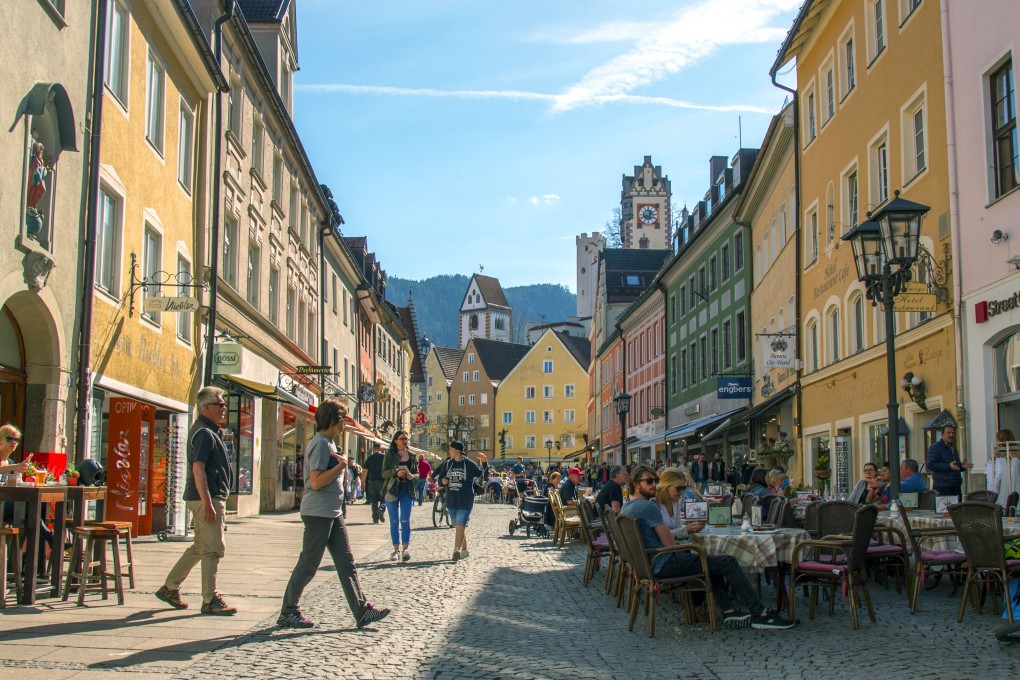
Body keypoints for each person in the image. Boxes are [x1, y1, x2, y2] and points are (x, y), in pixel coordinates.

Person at [621, 465, 794, 630]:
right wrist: (687, 541)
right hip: (664, 562)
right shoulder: (649, 506)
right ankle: (761, 614)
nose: (654, 485)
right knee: (727, 562)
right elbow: (670, 544)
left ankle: (729, 611)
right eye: (649, 482)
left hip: (650, 564)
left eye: (655, 481)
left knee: (711, 561)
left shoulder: (627, 507)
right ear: (636, 484)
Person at [277, 399, 390, 629]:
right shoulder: (320, 444)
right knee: (309, 563)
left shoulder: (328, 443)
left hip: (332, 511)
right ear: (332, 420)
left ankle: (361, 610)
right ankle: (288, 611)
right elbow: (317, 482)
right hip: (319, 512)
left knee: (346, 561)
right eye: (343, 421)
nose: (344, 426)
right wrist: (341, 466)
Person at [156, 387, 236, 615]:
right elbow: (198, 469)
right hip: (206, 498)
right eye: (219, 404)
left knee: (200, 546)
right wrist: (208, 502)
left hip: (202, 497)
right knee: (213, 549)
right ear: (205, 407)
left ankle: (170, 588)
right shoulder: (204, 433)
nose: (224, 409)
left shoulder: (209, 431)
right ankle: (210, 599)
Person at [0, 424, 51, 577]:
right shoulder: (8, 464)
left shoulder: (8, 461)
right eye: (10, 439)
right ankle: (50, 538)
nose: (13, 442)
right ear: (1, 440)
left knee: (29, 514)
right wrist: (16, 467)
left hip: (4, 507)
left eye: (16, 439)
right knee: (28, 510)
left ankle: (20, 568)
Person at [435, 441, 487, 560]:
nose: (449, 451)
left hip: (465, 499)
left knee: (459, 525)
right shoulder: (447, 464)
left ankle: (456, 550)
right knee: (459, 526)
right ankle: (464, 549)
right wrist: (443, 481)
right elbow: (440, 478)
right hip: (451, 500)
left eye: (451, 449)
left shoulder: (469, 464)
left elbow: (481, 475)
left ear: (457, 450)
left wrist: (484, 463)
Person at [382, 430, 417, 562]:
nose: (405, 441)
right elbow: (383, 473)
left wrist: (411, 475)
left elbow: (418, 474)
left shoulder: (412, 456)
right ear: (396, 440)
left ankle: (405, 549)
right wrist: (395, 472)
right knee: (394, 521)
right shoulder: (390, 454)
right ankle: (395, 550)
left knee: (405, 520)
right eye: (402, 438)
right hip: (392, 490)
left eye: (406, 439)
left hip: (407, 490)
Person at [926, 424, 971, 500]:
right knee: (945, 511)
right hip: (943, 487)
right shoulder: (935, 447)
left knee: (956, 511)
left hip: (956, 487)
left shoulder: (953, 447)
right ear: (942, 434)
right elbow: (930, 464)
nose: (951, 435)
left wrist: (961, 466)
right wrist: (948, 466)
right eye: (948, 433)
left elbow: (954, 466)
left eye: (953, 433)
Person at [362, 442, 386, 523]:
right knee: (383, 499)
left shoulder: (370, 458)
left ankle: (375, 518)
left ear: (373, 449)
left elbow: (365, 471)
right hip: (382, 482)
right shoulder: (384, 457)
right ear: (380, 448)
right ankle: (381, 510)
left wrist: (362, 482)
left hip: (371, 482)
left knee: (374, 501)